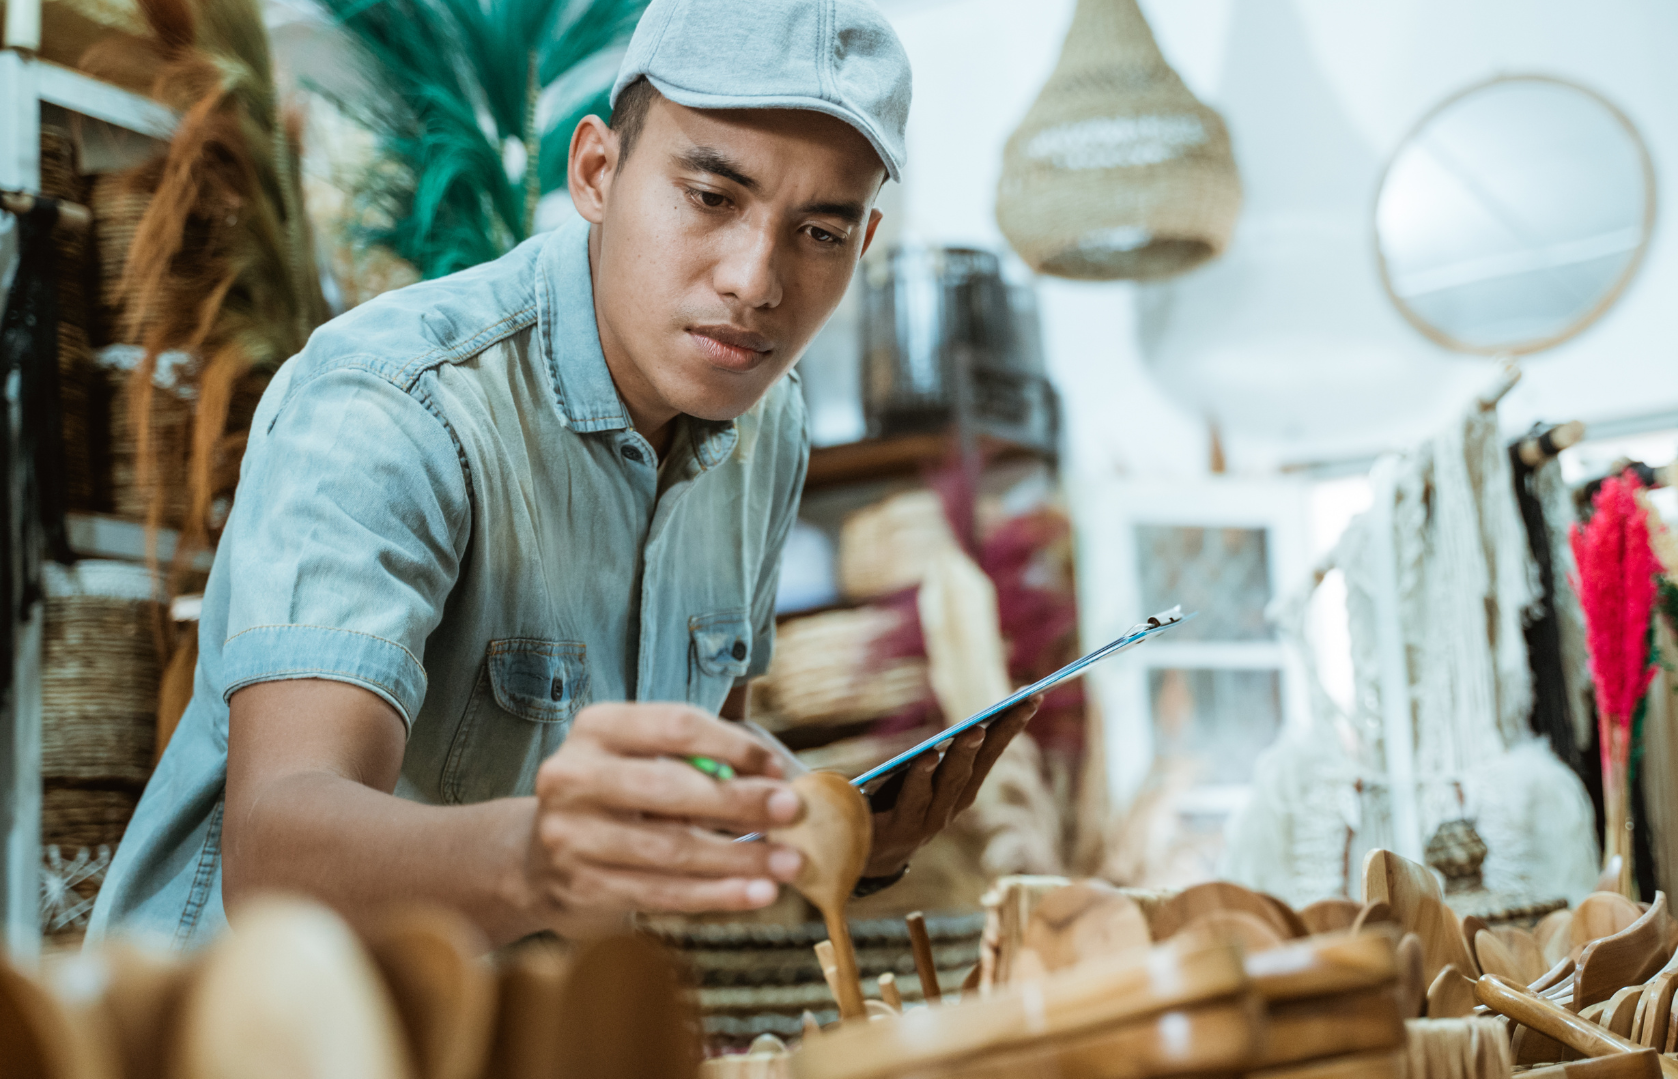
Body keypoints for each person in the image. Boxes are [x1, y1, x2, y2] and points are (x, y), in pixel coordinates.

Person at [89, 0, 1038, 948]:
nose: (756, 280)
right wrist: (539, 856)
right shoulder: (393, 403)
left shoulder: (764, 425)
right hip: (242, 1053)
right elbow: (279, 857)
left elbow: (705, 765)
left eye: (820, 233)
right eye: (712, 197)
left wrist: (836, 828)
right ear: (597, 172)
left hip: (506, 1047)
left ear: (862, 247)